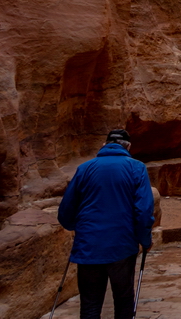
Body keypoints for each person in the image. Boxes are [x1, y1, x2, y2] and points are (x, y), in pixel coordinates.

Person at [58, 129, 156, 319]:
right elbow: (144, 210)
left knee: (90, 304)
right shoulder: (136, 167)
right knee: (123, 299)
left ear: (104, 145)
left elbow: (66, 210)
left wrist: (77, 228)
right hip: (122, 245)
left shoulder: (85, 168)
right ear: (128, 146)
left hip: (88, 246)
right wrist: (145, 240)